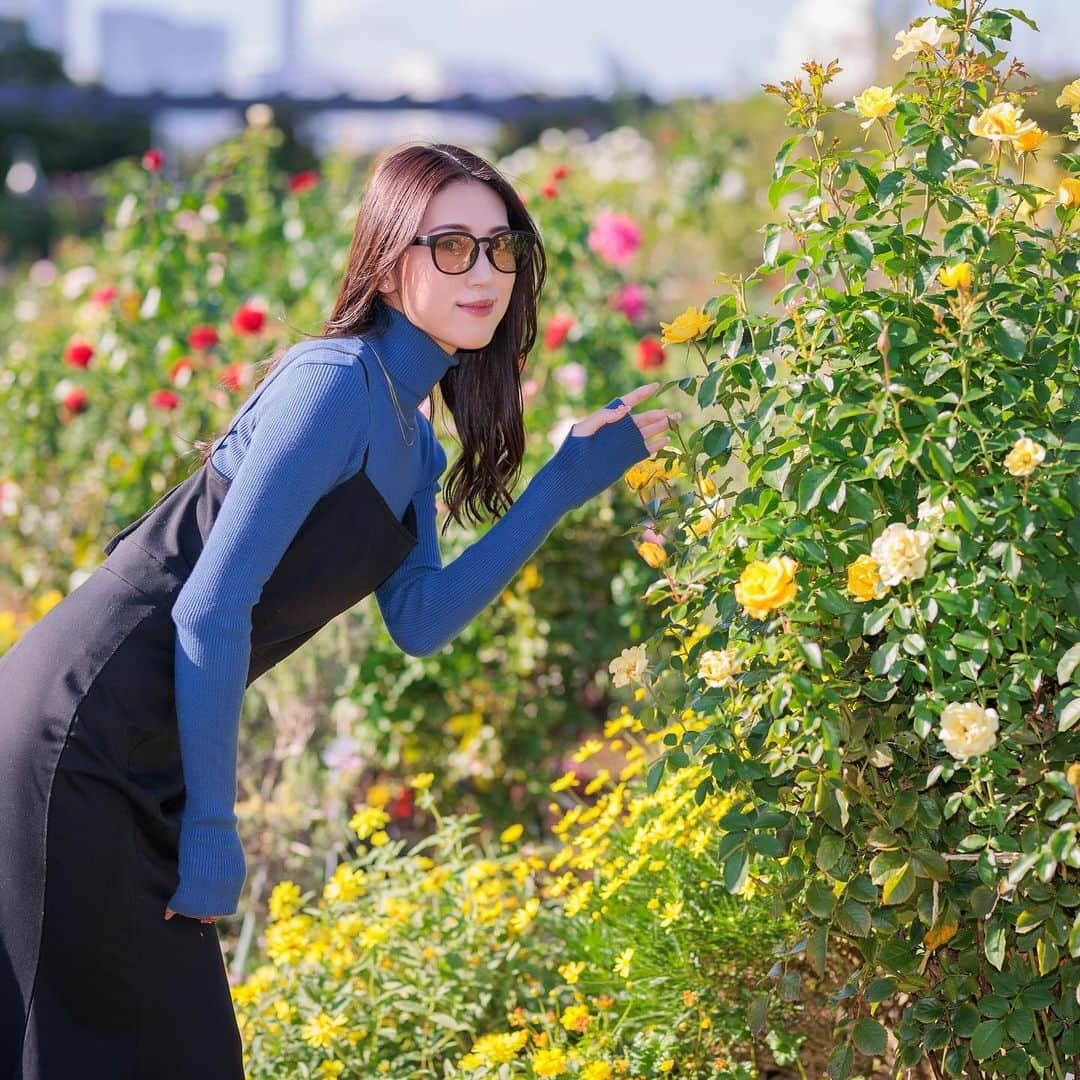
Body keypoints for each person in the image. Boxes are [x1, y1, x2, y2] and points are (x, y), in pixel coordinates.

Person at [0, 141, 676, 1078]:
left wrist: (558, 488)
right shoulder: (333, 385)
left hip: (145, 743)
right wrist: (213, 828)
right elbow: (208, 610)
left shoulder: (412, 436)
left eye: (500, 247)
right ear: (390, 263)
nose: (482, 271)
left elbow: (422, 621)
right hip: (77, 726)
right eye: (450, 246)